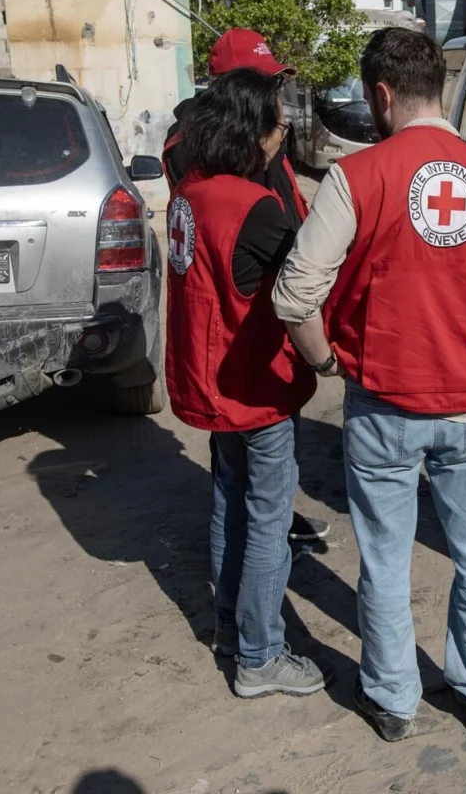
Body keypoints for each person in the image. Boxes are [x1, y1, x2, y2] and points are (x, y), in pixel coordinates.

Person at [273, 27, 466, 741]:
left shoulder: (357, 178)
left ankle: (393, 700)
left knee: (385, 558)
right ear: (439, 86)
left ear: (381, 95)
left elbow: (294, 297)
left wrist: (327, 363)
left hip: (383, 399)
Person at [165, 68, 327, 700]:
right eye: (276, 121)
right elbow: (306, 281)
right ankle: (260, 656)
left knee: (229, 503)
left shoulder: (190, 192)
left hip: (210, 386)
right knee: (265, 520)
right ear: (250, 129)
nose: (283, 131)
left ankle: (231, 628)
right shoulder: (253, 205)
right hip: (254, 388)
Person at [166, 28, 330, 548]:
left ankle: (238, 601)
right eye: (265, 86)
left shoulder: (239, 145)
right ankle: (260, 611)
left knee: (242, 484)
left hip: (245, 323)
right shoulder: (207, 151)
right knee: (253, 495)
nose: (277, 105)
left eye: (276, 84)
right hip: (245, 334)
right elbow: (250, 236)